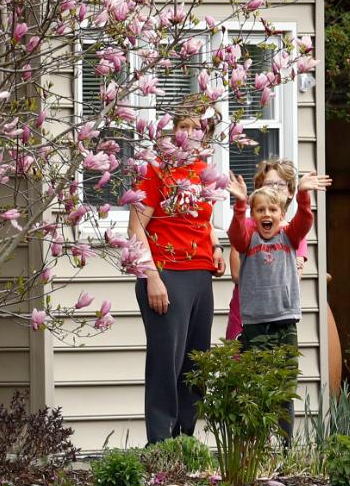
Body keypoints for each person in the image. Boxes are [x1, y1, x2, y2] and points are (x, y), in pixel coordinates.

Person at [128, 99, 227, 444]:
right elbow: (135, 228)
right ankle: (160, 446)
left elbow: (204, 221)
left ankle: (184, 443)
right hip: (166, 276)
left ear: (206, 134)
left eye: (196, 127)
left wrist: (216, 248)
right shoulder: (156, 170)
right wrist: (151, 277)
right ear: (172, 133)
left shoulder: (204, 171)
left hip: (200, 276)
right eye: (183, 126)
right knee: (165, 366)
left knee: (195, 364)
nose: (189, 133)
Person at [226, 169, 332, 443]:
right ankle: (256, 447)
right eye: (260, 210)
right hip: (255, 324)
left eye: (272, 209)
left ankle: (286, 448)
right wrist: (240, 204)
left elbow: (305, 221)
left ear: (281, 215)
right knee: (257, 387)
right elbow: (235, 234)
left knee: (285, 388)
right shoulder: (249, 240)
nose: (266, 214)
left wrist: (304, 195)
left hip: (285, 321)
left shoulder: (289, 237)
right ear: (254, 215)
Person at [225, 158, 309, 342]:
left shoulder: (292, 232)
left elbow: (296, 274)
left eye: (281, 184)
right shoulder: (245, 227)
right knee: (244, 365)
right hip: (247, 313)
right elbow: (237, 273)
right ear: (259, 188)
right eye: (270, 183)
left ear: (289, 192)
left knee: (282, 368)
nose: (275, 188)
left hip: (280, 314)